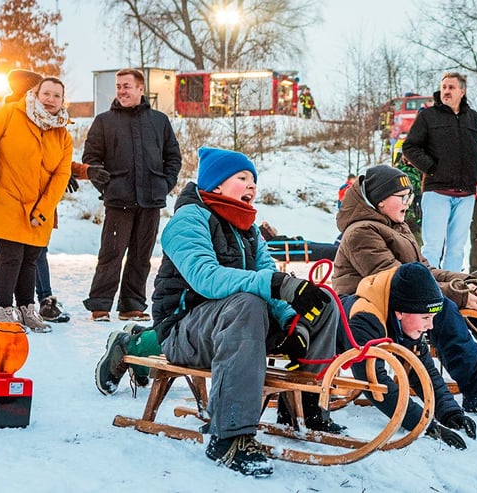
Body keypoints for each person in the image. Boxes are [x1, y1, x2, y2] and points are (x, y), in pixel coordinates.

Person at [96, 147, 339, 477]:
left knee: (323, 300)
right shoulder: (188, 221)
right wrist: (275, 284)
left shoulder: (249, 229)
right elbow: (205, 277)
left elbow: (271, 278)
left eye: (254, 180)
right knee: (248, 304)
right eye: (242, 178)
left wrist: (290, 320)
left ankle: (307, 404)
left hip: (235, 327)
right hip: (185, 327)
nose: (251, 186)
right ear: (216, 185)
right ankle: (230, 436)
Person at [333, 165, 477, 413]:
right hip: (367, 308)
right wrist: (457, 295)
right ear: (380, 200)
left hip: (398, 297)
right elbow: (396, 282)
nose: (408, 203)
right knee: (444, 310)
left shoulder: (395, 226)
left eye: (409, 196)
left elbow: (423, 271)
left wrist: (465, 282)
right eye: (401, 197)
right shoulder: (361, 232)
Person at [0, 71, 73, 333]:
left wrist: (44, 209)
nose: (50, 99)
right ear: (36, 94)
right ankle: (5, 309)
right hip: (5, 197)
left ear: (63, 100)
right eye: (46, 93)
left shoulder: (62, 134)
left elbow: (62, 174)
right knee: (12, 255)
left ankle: (27, 308)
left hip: (38, 205)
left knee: (31, 257)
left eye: (56, 95)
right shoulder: (10, 113)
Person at [341, 263, 477, 449]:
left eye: (432, 318)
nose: (430, 326)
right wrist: (424, 424)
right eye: (425, 318)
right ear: (399, 312)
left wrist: (451, 412)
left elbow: (423, 372)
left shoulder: (405, 319)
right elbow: (375, 383)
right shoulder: (364, 318)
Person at [83, 68, 182, 322]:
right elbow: (91, 159)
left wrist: (164, 184)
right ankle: (100, 304)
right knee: (111, 253)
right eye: (118, 86)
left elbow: (173, 157)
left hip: (150, 201)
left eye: (126, 86)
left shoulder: (159, 121)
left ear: (141, 88)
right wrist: (105, 186)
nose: (121, 91)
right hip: (119, 201)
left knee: (141, 256)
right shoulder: (104, 121)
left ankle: (132, 305)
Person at [402, 72, 477, 272]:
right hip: (436, 191)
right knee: (432, 247)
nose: (446, 91)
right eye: (444, 86)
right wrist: (431, 168)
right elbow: (409, 147)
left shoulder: (474, 119)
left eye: (451, 87)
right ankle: (429, 290)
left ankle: (452, 289)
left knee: (457, 249)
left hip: (466, 194)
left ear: (462, 92)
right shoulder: (428, 116)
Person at [36, 160, 111, 323]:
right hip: (18, 202)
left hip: (43, 206)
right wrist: (59, 177)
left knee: (38, 252)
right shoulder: (22, 137)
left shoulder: (53, 136)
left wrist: (86, 171)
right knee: (20, 256)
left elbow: (59, 160)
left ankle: (44, 301)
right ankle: (18, 305)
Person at [258, 220, 338, 262]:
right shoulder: (274, 242)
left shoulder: (272, 244)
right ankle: (337, 251)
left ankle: (337, 249)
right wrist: (296, 240)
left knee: (326, 248)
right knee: (328, 250)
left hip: (302, 249)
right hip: (302, 251)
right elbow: (291, 244)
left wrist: (296, 240)